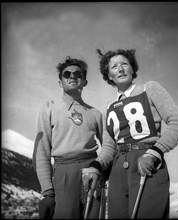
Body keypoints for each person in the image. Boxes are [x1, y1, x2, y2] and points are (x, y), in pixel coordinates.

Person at [82, 49, 178, 219]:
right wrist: (97, 166)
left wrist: (154, 153)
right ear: (109, 75)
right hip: (118, 171)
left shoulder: (150, 89)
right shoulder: (109, 107)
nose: (121, 69)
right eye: (114, 66)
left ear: (133, 69)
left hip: (147, 163)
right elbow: (109, 147)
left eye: (125, 64)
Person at [33, 56, 103, 219]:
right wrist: (48, 192)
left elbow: (109, 146)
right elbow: (41, 152)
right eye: (67, 74)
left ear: (85, 81)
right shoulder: (48, 109)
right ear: (60, 82)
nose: (72, 76)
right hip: (63, 174)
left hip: (92, 173)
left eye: (78, 74)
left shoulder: (96, 114)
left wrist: (101, 172)